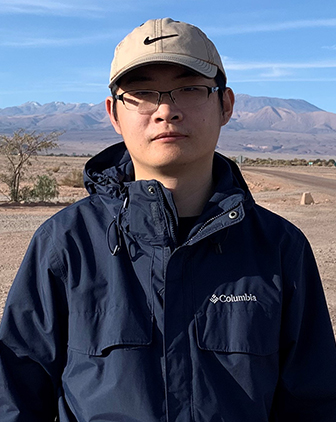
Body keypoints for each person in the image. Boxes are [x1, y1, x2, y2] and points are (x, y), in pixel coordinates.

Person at [0, 17, 335, 422]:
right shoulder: (66, 243)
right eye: (141, 93)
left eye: (189, 89)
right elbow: (15, 397)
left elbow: (313, 403)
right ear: (113, 113)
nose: (165, 110)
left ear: (225, 104)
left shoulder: (279, 247)